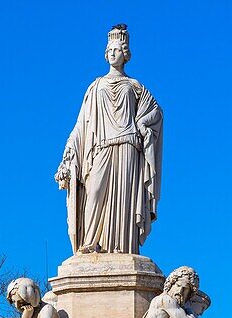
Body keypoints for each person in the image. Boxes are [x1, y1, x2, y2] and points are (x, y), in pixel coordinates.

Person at [56, 24, 162, 256]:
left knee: (123, 203)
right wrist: (67, 156)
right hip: (101, 147)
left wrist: (142, 124)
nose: (113, 53)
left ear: (125, 54)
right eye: (109, 49)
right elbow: (81, 126)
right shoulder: (95, 87)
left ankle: (121, 247)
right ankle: (91, 242)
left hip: (127, 147)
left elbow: (156, 113)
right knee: (94, 193)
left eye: (117, 49)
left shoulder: (135, 87)